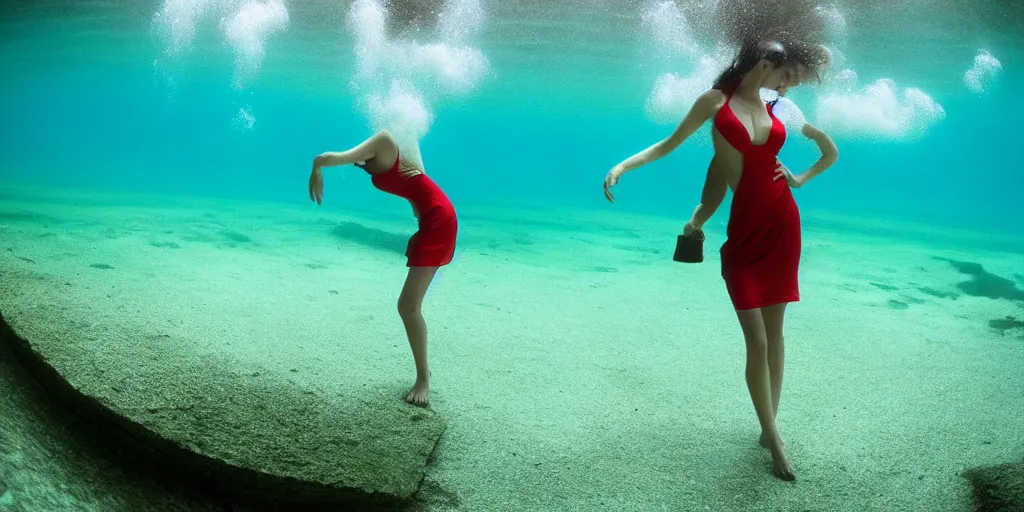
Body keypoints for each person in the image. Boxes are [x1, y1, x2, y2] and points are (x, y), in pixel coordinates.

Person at [602, 40, 838, 481]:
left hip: (785, 224)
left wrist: (800, 177)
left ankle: (770, 429)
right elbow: (669, 146)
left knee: (776, 332)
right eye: (784, 75)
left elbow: (825, 149)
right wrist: (623, 166)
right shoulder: (714, 102)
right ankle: (774, 438)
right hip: (746, 237)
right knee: (758, 340)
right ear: (765, 65)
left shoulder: (777, 107)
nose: (787, 85)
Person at [308, 129, 458, 407]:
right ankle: (423, 375)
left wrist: (317, 167)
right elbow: (418, 198)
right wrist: (419, 231)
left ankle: (423, 379)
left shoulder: (386, 141)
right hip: (434, 219)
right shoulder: (400, 162)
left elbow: (334, 158)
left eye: (366, 159)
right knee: (408, 306)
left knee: (408, 306)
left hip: (440, 220)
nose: (363, 164)